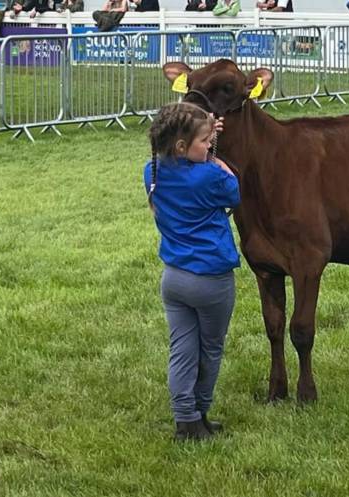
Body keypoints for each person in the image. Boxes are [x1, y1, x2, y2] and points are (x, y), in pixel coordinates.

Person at [143, 102, 240, 442]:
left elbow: (189, 152)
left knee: (182, 348)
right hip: (211, 279)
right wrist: (215, 158)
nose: (209, 147)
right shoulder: (210, 174)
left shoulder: (151, 171)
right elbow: (234, 189)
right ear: (182, 146)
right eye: (204, 142)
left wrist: (205, 130)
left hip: (174, 278)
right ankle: (200, 411)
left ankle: (186, 420)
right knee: (210, 348)